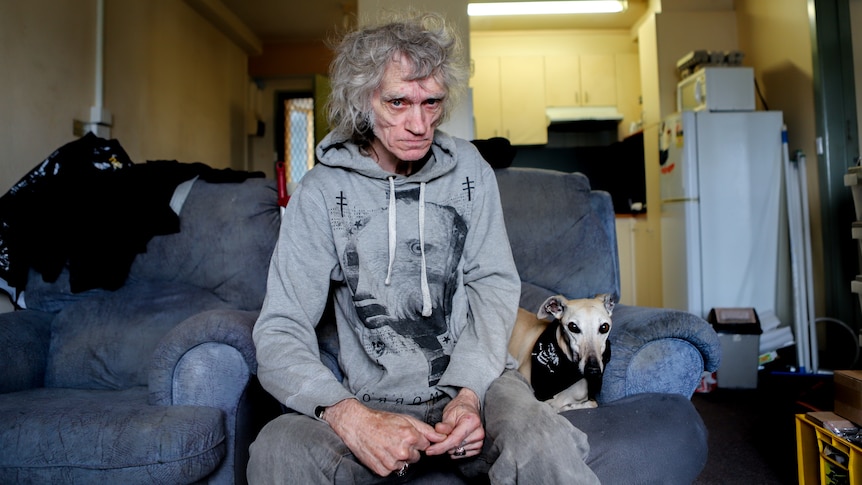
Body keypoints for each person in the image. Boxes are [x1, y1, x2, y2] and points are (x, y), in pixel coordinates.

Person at [248, 11, 600, 484]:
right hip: (369, 398)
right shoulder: (320, 192)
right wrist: (352, 418)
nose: (419, 123)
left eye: (431, 103)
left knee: (542, 438)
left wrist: (469, 395)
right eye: (398, 102)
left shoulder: (470, 169)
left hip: (482, 388)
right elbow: (280, 328)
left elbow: (494, 285)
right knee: (279, 448)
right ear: (362, 101)